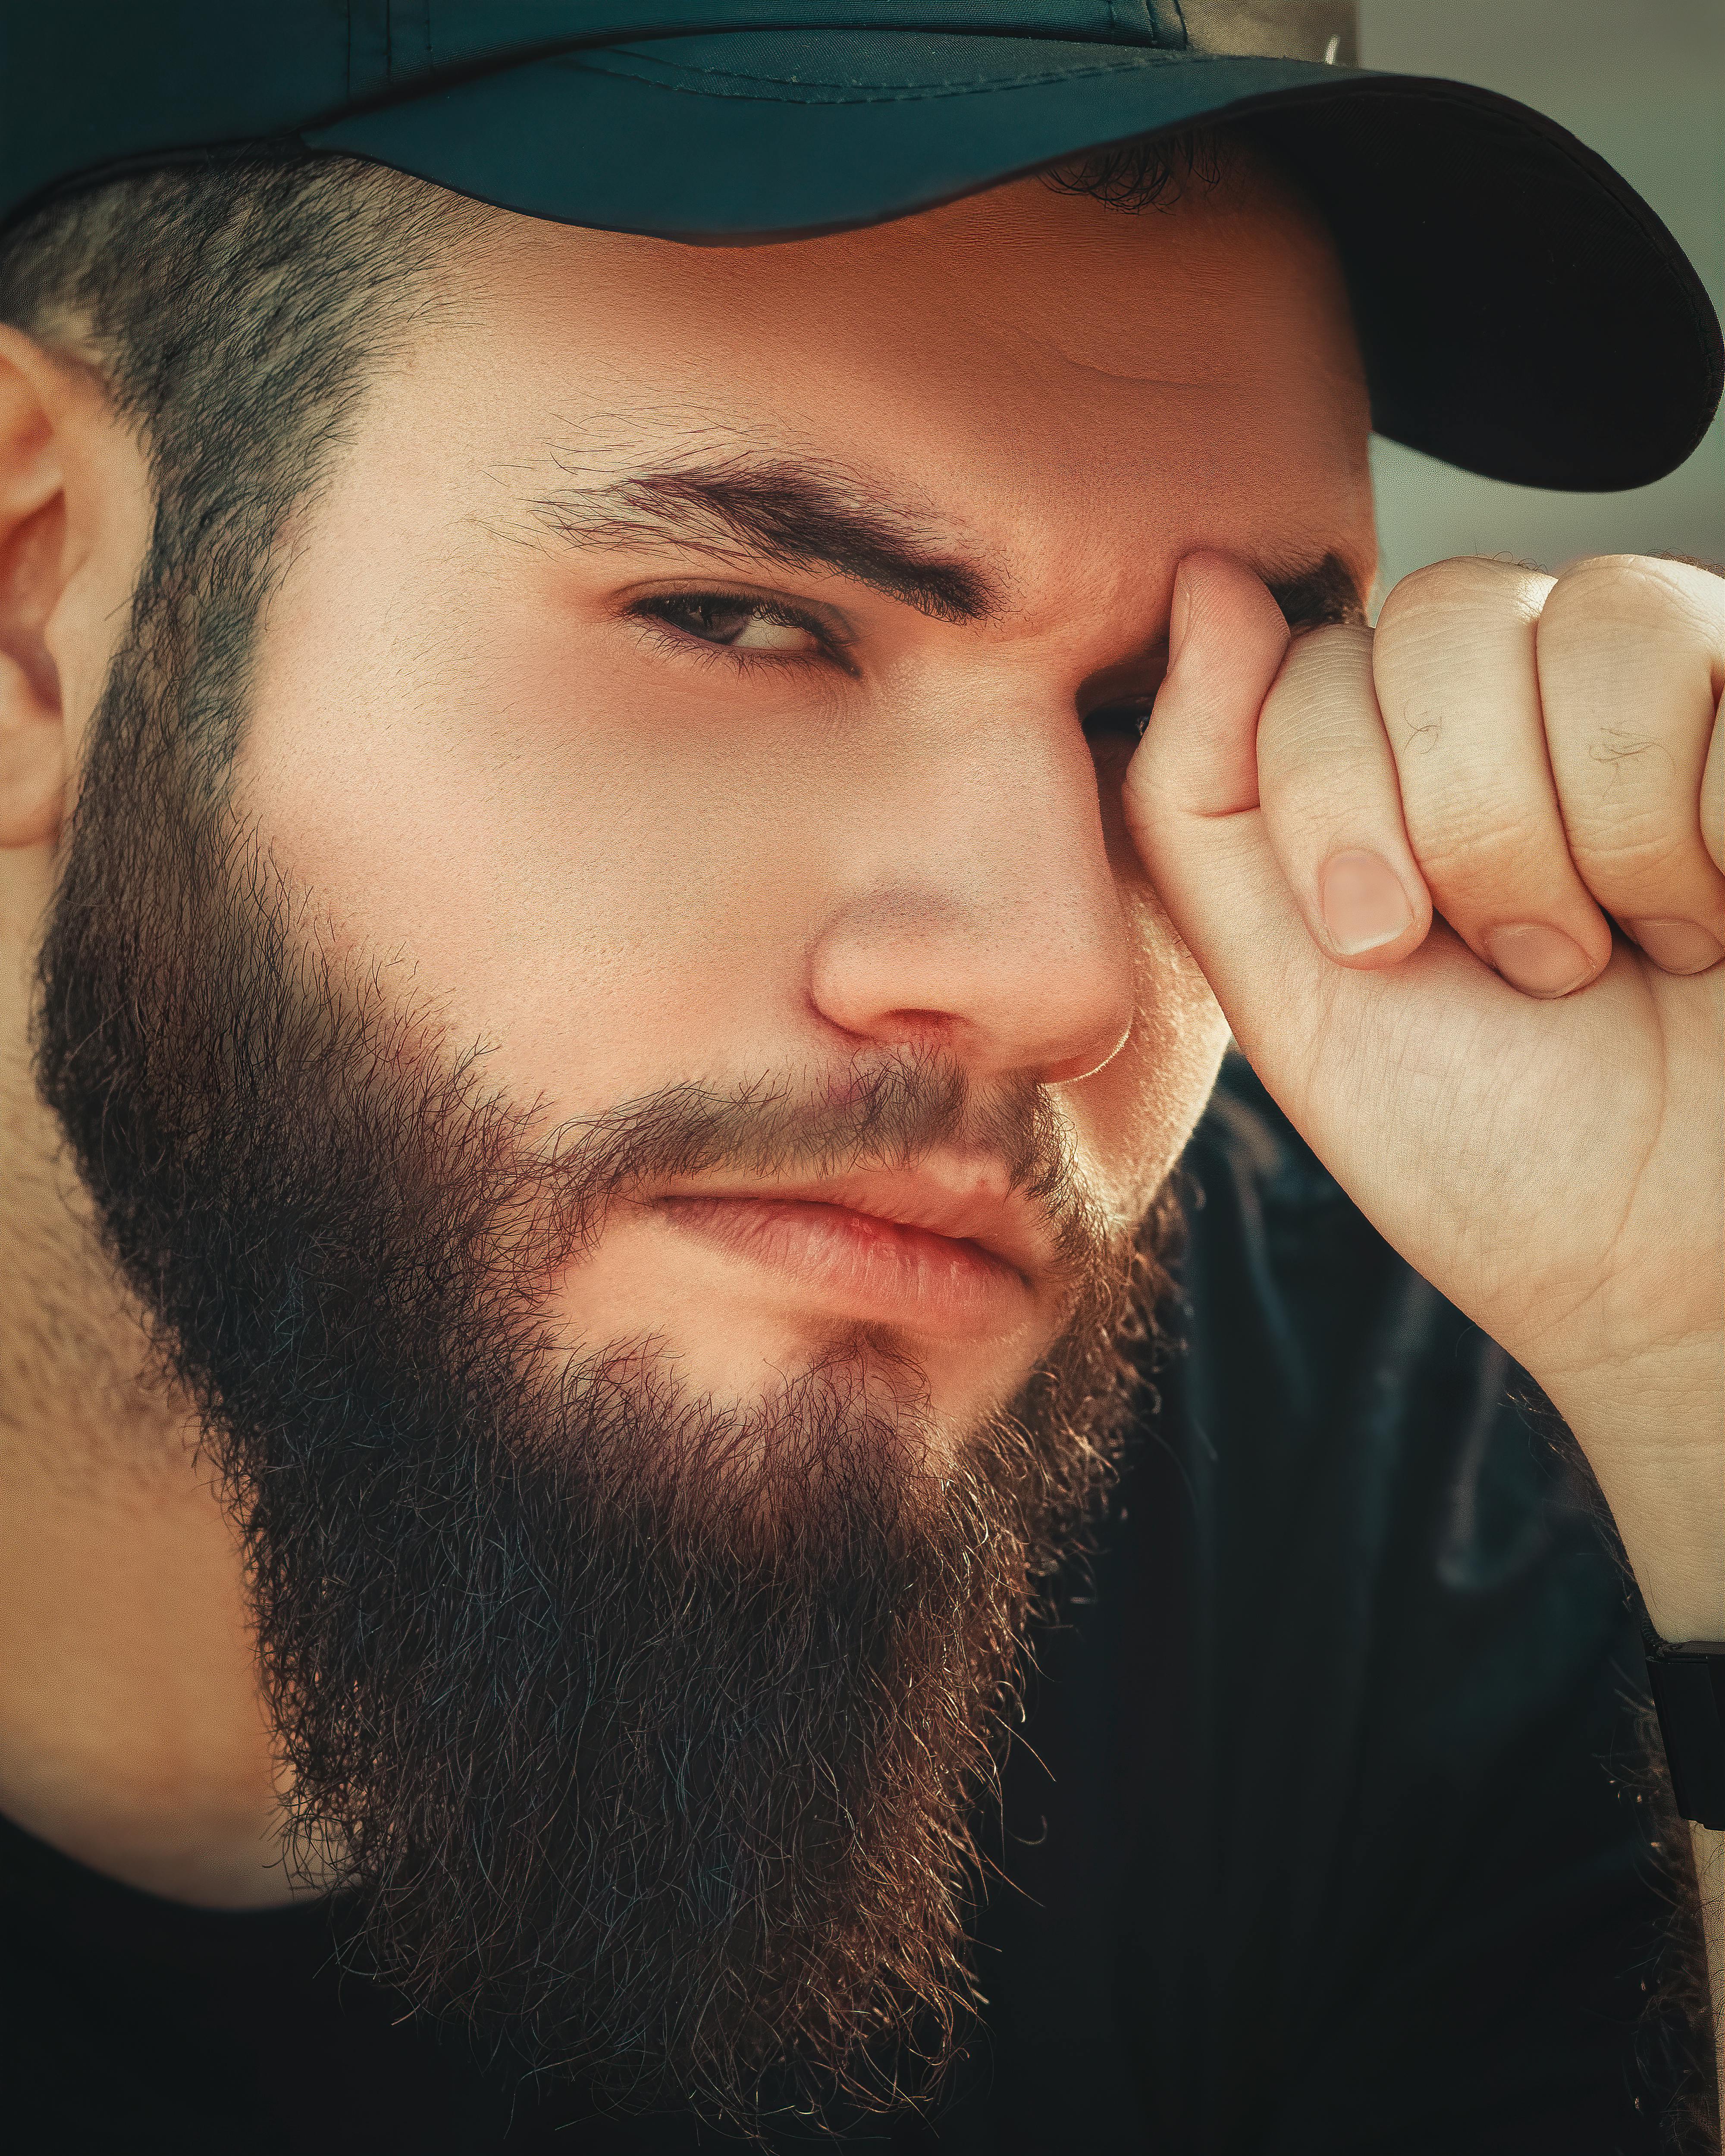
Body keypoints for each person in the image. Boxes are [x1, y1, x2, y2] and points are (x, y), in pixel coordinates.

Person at [0, 4, 1719, 2150]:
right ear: (36, 594)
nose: (1056, 976)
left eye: (1169, 710)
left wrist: (1703, 1371)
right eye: (741, 619)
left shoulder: (1453, 1475)